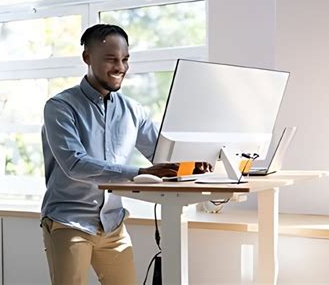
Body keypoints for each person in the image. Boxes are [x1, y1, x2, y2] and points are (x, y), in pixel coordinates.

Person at [40, 24, 209, 285]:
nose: (120, 67)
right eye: (111, 59)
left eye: (125, 59)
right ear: (87, 58)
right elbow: (74, 164)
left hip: (113, 224)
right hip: (69, 220)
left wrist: (199, 158)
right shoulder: (60, 107)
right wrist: (139, 173)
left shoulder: (133, 111)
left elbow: (163, 155)